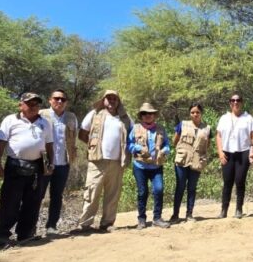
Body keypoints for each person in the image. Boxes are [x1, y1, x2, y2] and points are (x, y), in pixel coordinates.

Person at [0, 92, 54, 248]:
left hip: (37, 166)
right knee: (9, 202)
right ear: (21, 104)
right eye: (30, 103)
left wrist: (50, 163)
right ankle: (3, 235)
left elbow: (49, 145)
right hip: (15, 165)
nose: (34, 106)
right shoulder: (10, 120)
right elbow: (1, 143)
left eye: (36, 104)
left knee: (32, 202)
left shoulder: (45, 123)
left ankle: (25, 235)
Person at [76, 90, 132, 233]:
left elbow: (132, 135)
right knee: (92, 192)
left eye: (115, 98)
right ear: (104, 100)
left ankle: (107, 223)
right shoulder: (94, 114)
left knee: (113, 194)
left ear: (118, 101)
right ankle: (85, 224)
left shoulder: (125, 118)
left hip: (117, 162)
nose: (112, 100)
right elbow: (82, 133)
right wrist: (92, 147)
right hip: (97, 161)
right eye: (109, 98)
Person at [39, 89, 78, 235]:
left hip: (63, 163)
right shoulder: (42, 114)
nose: (60, 102)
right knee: (38, 195)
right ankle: (29, 227)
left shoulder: (71, 117)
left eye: (63, 99)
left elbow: (73, 138)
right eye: (56, 98)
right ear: (50, 100)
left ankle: (51, 226)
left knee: (57, 196)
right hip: (43, 163)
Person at [128, 102, 171, 229]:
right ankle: (141, 219)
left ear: (154, 115)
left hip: (156, 167)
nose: (148, 116)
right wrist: (138, 147)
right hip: (140, 166)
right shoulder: (135, 128)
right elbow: (129, 144)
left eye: (150, 113)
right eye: (145, 113)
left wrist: (164, 151)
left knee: (158, 190)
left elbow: (167, 145)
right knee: (142, 192)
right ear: (141, 116)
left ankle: (157, 218)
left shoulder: (161, 129)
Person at [215, 93, 253, 219]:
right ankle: (224, 210)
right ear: (230, 103)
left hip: (243, 152)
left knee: (240, 181)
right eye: (233, 100)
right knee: (227, 182)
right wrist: (220, 152)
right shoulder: (224, 118)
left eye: (238, 100)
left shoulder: (248, 118)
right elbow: (219, 136)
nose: (235, 102)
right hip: (227, 152)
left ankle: (239, 209)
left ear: (242, 102)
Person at [171, 103, 211, 222]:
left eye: (197, 112)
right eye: (193, 112)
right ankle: (175, 214)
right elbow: (175, 140)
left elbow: (207, 144)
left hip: (197, 161)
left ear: (201, 113)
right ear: (189, 114)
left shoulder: (207, 128)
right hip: (182, 160)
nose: (195, 114)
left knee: (192, 188)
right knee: (180, 187)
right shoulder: (182, 124)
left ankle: (189, 214)